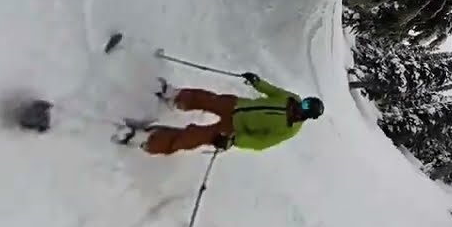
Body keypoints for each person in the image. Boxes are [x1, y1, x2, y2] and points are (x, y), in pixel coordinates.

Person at [117, 73, 323, 154]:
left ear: (307, 116)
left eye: (305, 108)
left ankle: (149, 141)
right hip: (237, 105)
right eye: (304, 102)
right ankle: (175, 97)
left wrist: (234, 141)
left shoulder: (289, 130)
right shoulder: (291, 98)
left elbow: (261, 143)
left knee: (194, 136)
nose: (300, 106)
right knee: (207, 99)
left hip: (233, 129)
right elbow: (272, 91)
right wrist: (257, 82)